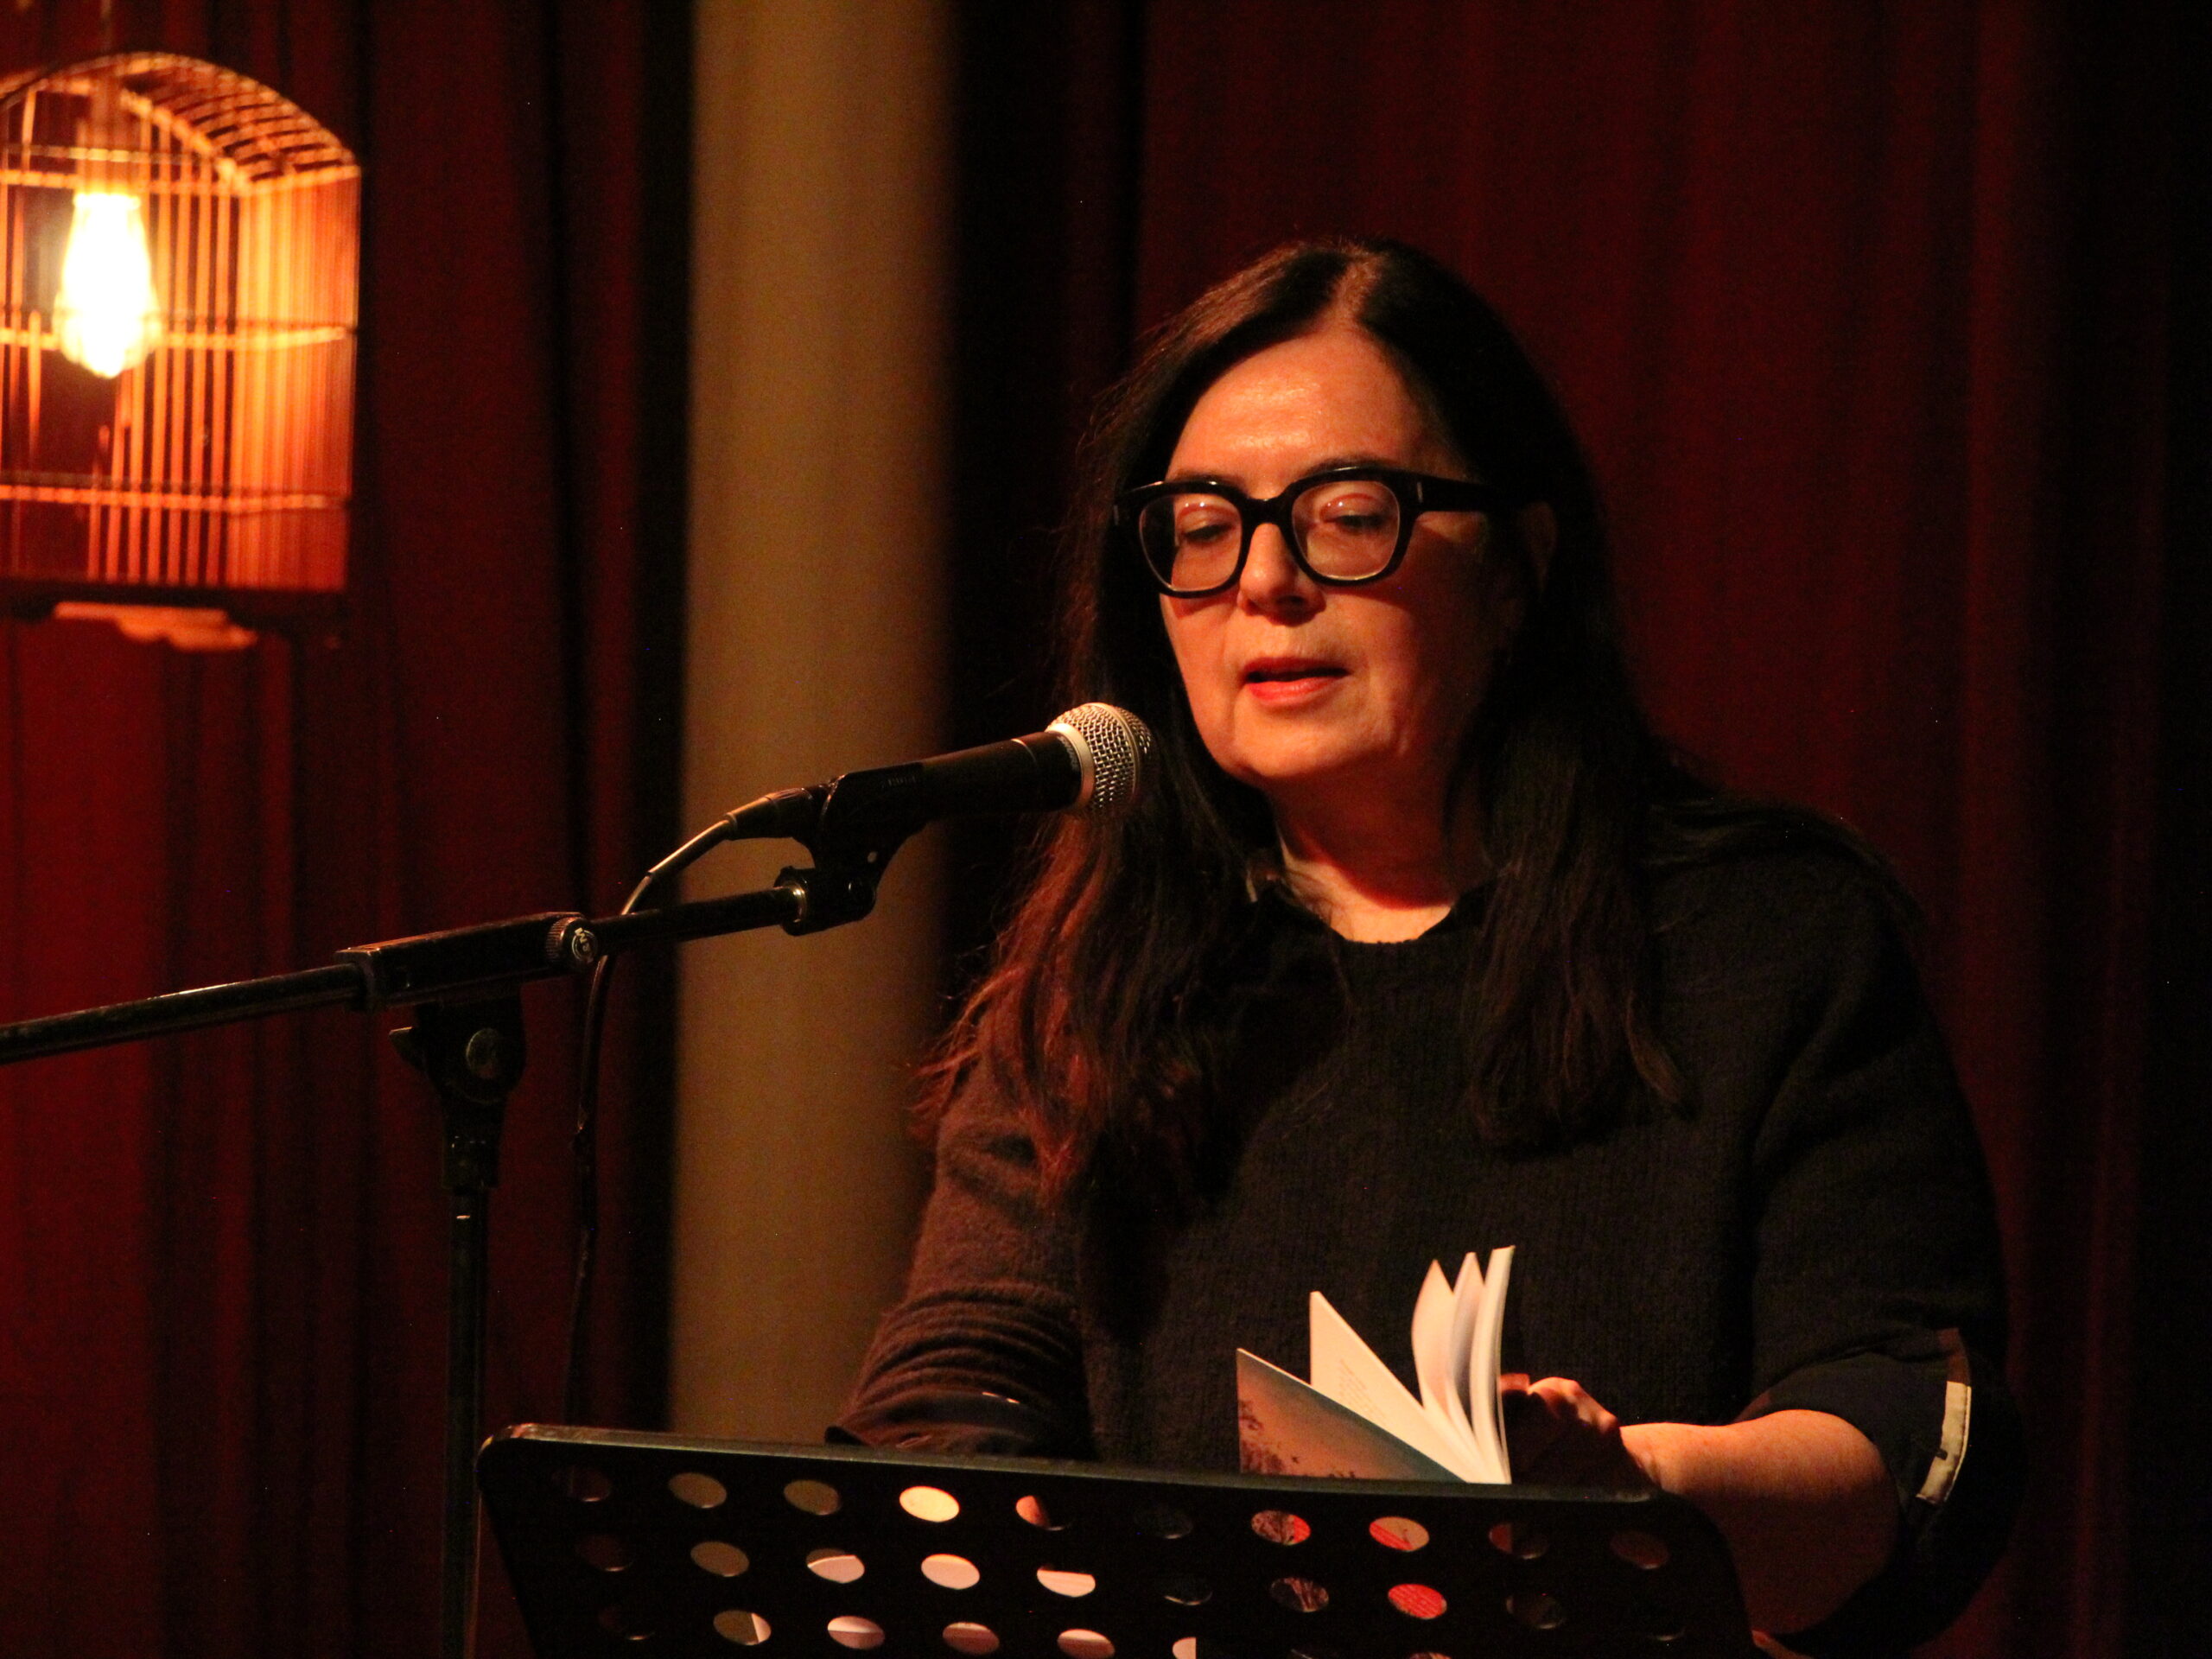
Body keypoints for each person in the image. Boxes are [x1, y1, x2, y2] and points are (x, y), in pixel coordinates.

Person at [836, 238, 2019, 1655]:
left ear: (1517, 569)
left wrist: (1633, 1495)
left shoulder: (1763, 943)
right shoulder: (1104, 978)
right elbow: (958, 1384)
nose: (1265, 580)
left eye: (1348, 515)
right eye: (1203, 527)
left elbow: (1908, 1432)